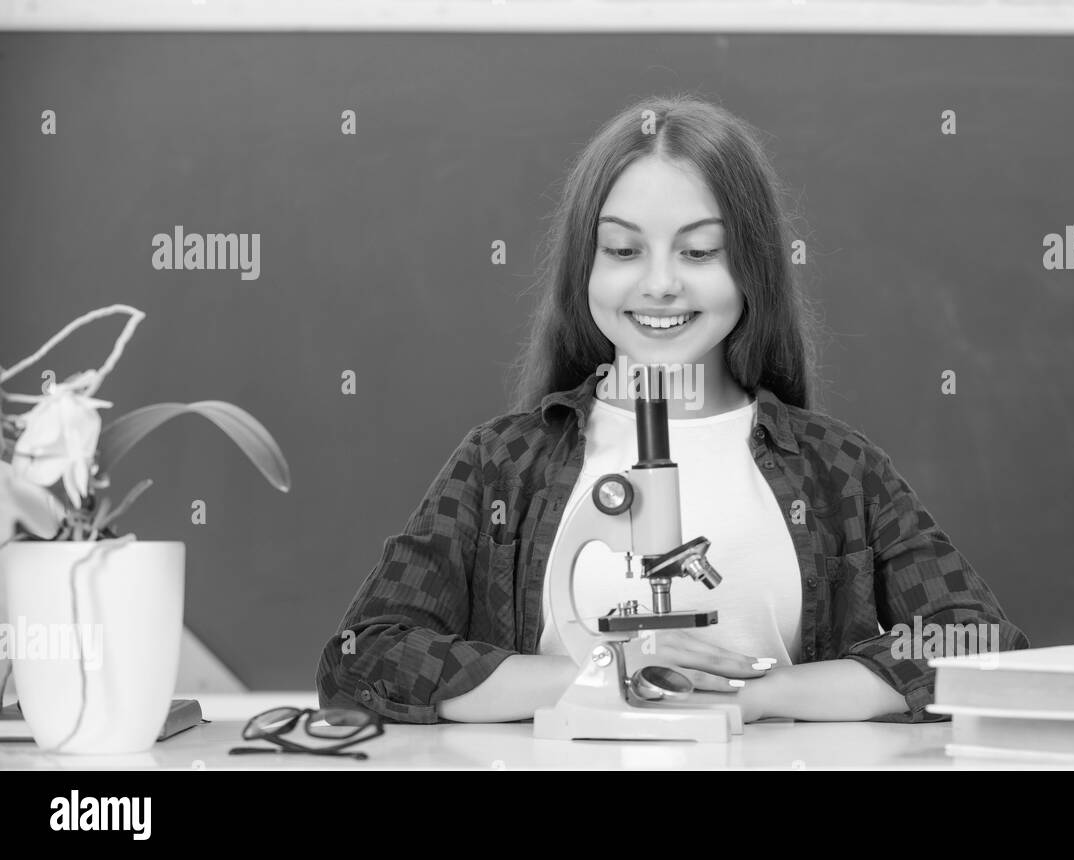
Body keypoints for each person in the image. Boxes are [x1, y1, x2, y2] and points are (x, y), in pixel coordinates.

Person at [316, 93, 1029, 725]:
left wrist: (756, 694)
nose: (659, 284)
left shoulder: (838, 468)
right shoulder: (500, 464)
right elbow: (363, 657)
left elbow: (982, 645)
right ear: (584, 268)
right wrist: (600, 679)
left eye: (699, 252)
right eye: (624, 249)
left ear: (750, 267)